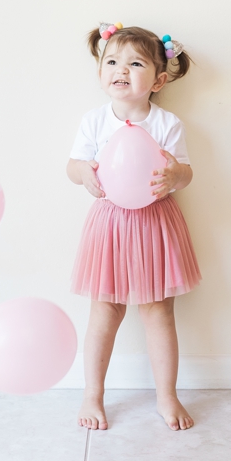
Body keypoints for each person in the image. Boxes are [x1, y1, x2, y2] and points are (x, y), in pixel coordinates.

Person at [67, 23, 199, 431]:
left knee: (158, 311)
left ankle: (167, 395)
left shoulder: (166, 123)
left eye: (135, 63)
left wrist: (175, 175)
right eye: (111, 62)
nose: (120, 70)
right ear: (101, 71)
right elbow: (73, 165)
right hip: (110, 225)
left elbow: (186, 171)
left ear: (158, 79)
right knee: (105, 310)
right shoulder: (94, 121)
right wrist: (83, 175)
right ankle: (93, 394)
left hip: (155, 223)